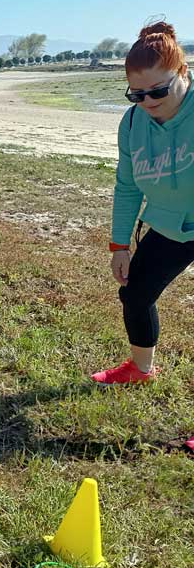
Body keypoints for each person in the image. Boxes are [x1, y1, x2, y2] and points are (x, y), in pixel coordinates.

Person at [92, 21, 194, 385]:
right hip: (170, 223)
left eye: (157, 90)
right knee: (135, 294)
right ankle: (140, 369)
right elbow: (128, 186)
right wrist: (120, 245)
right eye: (136, 94)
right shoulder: (134, 123)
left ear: (182, 72)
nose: (148, 102)